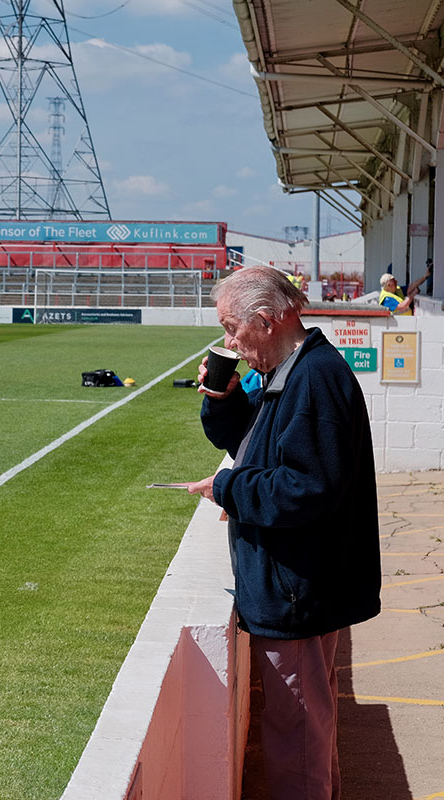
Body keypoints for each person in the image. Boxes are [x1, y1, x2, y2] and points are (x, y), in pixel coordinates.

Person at [185, 266, 381, 800]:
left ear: (268, 321)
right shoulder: (289, 369)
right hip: (297, 587)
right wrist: (221, 397)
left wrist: (228, 490)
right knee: (307, 728)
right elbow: (246, 442)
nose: (229, 341)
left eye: (232, 328)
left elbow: (306, 488)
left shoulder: (313, 377)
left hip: (297, 589)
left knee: (295, 733)